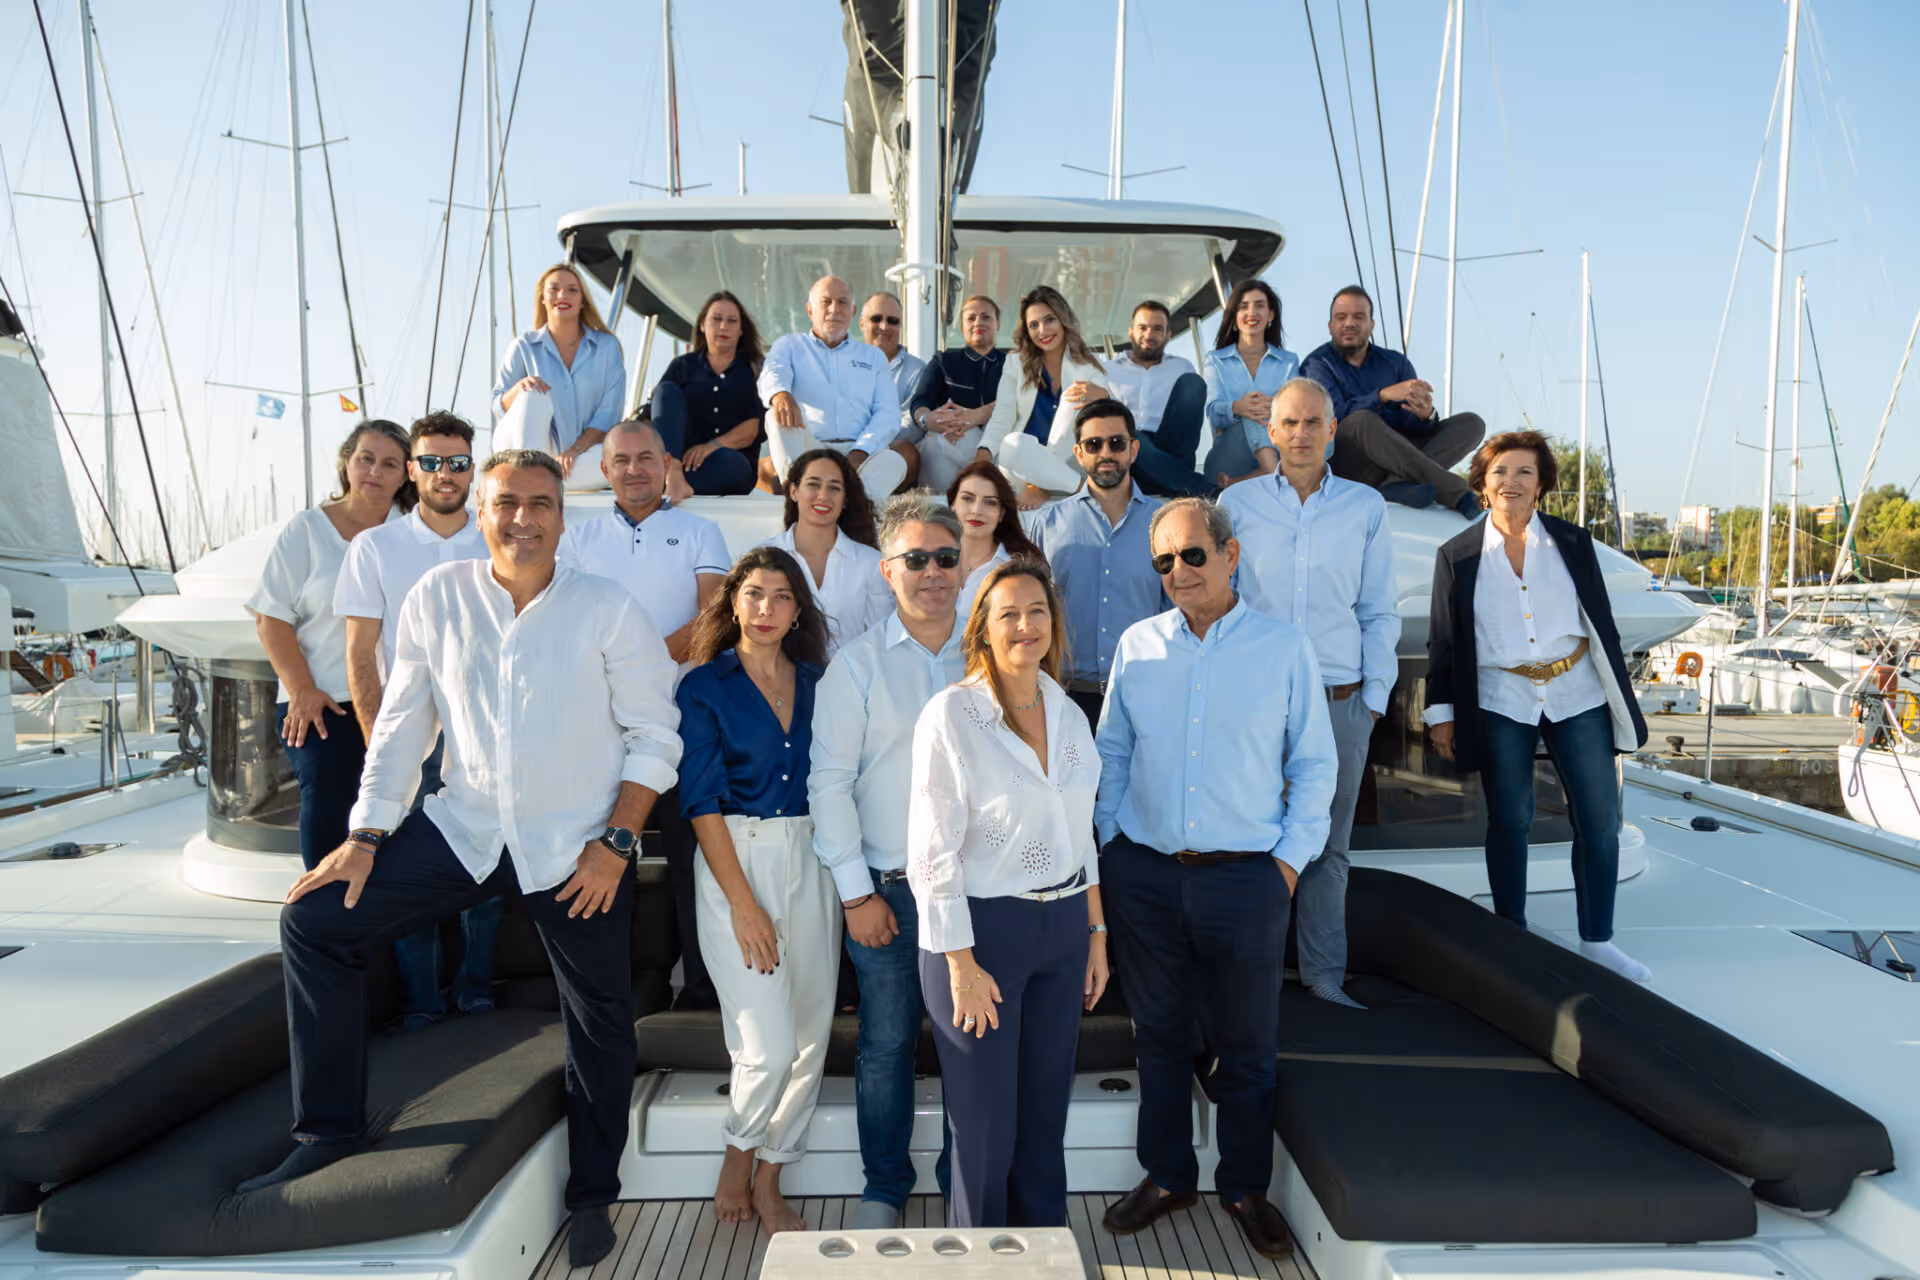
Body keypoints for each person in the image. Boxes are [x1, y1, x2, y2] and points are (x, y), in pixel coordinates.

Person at [242, 450, 682, 1273]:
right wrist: (365, 836)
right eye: (507, 504)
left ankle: (592, 1195)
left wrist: (617, 843)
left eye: (541, 504)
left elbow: (656, 738)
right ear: (480, 514)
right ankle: (328, 1131)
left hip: (575, 843)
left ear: (563, 516)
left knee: (601, 1021)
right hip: (467, 829)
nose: (523, 518)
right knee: (313, 923)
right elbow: (404, 724)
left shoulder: (608, 610)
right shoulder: (436, 600)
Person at [1094, 497, 1337, 1261]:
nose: (1177, 572)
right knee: (1158, 1035)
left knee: (1247, 1046)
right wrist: (1112, 846)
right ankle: (1168, 1174)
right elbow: (1113, 758)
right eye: (1163, 560)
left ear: (1230, 556)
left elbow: (1314, 767)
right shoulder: (1137, 647)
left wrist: (1287, 869)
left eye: (1192, 555)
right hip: (1145, 875)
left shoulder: (1284, 648)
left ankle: (1243, 1186)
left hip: (1247, 882)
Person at [909, 557, 1108, 1230]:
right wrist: (960, 965)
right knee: (986, 1131)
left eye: (1038, 611)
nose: (1026, 625)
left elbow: (1082, 837)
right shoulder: (953, 715)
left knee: (1044, 1119)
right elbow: (931, 852)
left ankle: (1045, 1260)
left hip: (1063, 935)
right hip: (981, 938)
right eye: (1009, 614)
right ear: (983, 631)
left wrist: (1096, 934)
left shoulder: (1070, 714)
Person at [1424, 430, 1652, 982]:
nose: (1512, 482)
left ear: (1542, 485)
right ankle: (1512, 937)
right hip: (1502, 697)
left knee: (1600, 820)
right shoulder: (1456, 556)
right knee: (1511, 819)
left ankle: (1597, 941)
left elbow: (1602, 623)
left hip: (1578, 693)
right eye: (1500, 471)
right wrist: (1440, 713)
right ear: (1483, 484)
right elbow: (1444, 641)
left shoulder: (1575, 544)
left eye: (1525, 472)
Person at [809, 494, 967, 1230]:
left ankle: (966, 1184)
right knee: (885, 1045)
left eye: (945, 557)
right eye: (916, 558)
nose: (932, 571)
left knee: (975, 1046)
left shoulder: (995, 652)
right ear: (887, 569)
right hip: (888, 892)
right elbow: (829, 785)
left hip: (982, 891)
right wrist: (853, 895)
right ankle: (884, 1188)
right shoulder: (856, 666)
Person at [1219, 379, 1399, 1009]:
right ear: (1271, 430)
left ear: (1331, 432)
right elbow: (1220, 604)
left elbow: (1379, 611)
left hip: (1340, 704)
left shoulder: (1366, 508)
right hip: (1256, 707)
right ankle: (1250, 982)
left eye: (1312, 423)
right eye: (1288, 423)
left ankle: (1325, 978)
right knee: (1250, 843)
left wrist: (1373, 699)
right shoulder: (1236, 506)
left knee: (1327, 849)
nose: (1299, 434)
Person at [677, 546, 838, 1236]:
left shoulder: (820, 681)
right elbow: (700, 800)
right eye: (754, 594)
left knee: (810, 1035)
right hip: (734, 859)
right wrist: (744, 903)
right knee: (767, 1044)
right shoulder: (702, 686)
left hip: (814, 855)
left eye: (781, 596)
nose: (766, 608)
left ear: (798, 611)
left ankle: (773, 1175)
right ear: (733, 602)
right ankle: (737, 1155)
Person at [560, 417, 730, 1011]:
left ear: (666, 465)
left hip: (683, 722)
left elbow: (715, 619)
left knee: (693, 861)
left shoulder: (701, 531)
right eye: (621, 460)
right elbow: (566, 621)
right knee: (605, 857)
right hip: (601, 723)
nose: (634, 470)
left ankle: (705, 990)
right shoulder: (576, 539)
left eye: (645, 459)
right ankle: (611, 987)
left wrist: (640, 665)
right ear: (604, 470)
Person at [333, 412, 496, 1030]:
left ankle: (477, 988)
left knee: (483, 869)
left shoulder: (495, 538)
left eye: (457, 462)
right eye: (431, 462)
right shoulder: (375, 547)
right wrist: (382, 747)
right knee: (407, 873)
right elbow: (359, 657)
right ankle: (423, 1004)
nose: (445, 473)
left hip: (484, 738)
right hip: (410, 738)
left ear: (471, 469)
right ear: (413, 470)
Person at [246, 420, 411, 871]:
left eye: (390, 463)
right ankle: (323, 924)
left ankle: (386, 933)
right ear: (346, 464)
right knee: (330, 812)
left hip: (402, 705)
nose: (375, 471)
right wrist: (301, 690)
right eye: (366, 459)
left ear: (405, 475)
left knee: (400, 824)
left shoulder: (412, 534)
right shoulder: (306, 531)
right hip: (323, 702)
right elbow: (270, 617)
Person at [1028, 399, 1167, 729]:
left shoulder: (1164, 525)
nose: (1106, 453)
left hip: (1143, 698)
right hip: (1064, 700)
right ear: (1078, 454)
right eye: (1094, 444)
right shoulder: (1046, 524)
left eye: (1116, 443)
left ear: (1133, 450)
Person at [1302, 285, 1484, 516]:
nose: (1349, 323)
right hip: (1351, 465)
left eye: (1359, 317)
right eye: (1341, 317)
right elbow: (1332, 416)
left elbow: (1411, 426)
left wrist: (1425, 416)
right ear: (1330, 326)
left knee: (1471, 424)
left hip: (1397, 458)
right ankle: (1456, 492)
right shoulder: (1316, 365)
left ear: (1372, 325)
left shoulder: (1396, 363)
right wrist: (1382, 396)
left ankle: (1396, 484)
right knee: (1361, 421)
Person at [757, 275, 909, 502]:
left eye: (842, 302)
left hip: (859, 453)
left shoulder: (873, 356)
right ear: (810, 310)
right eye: (826, 302)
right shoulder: (789, 345)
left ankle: (847, 500)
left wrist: (860, 452)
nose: (834, 309)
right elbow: (772, 373)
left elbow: (887, 414)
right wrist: (781, 395)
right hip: (809, 450)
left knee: (895, 462)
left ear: (853, 311)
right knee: (774, 416)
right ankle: (801, 494)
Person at [491, 264, 626, 482]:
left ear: (582, 301)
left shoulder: (607, 347)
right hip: (519, 446)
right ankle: (533, 474)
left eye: (572, 290)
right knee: (532, 392)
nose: (562, 295)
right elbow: (497, 405)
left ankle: (533, 481)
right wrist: (520, 388)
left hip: (583, 452)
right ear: (543, 298)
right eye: (554, 289)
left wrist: (574, 450)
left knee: (615, 459)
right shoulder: (523, 346)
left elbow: (609, 414)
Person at [980, 286, 1108, 507]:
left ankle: (1042, 487)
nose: (1043, 330)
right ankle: (1085, 490)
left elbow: (1115, 414)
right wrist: (979, 461)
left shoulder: (1088, 366)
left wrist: (1104, 395)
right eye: (1034, 325)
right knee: (1012, 443)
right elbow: (1002, 416)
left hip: (1071, 463)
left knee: (1073, 395)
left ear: (1063, 320)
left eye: (1050, 320)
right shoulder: (1015, 363)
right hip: (1023, 462)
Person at [760, 450, 895, 656]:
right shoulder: (763, 558)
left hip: (852, 685)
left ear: (845, 499)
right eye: (813, 484)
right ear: (794, 491)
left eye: (834, 488)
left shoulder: (872, 563)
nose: (823, 495)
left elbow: (881, 641)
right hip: (779, 685)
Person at [650, 290, 765, 499]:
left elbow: (753, 427)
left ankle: (670, 484)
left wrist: (712, 446)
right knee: (665, 390)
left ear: (741, 330)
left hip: (725, 465)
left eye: (732, 321)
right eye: (716, 319)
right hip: (679, 460)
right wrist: (674, 463)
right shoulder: (682, 366)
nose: (723, 326)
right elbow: (661, 409)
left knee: (736, 466)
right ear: (702, 325)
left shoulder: (754, 370)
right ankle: (672, 475)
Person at [1101, 300, 1212, 497]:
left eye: (1157, 329)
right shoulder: (1108, 370)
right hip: (1129, 459)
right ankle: (1200, 487)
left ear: (1168, 336)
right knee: (1129, 433)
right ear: (1131, 332)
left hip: (1172, 449)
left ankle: (1171, 478)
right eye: (1142, 328)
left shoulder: (1182, 367)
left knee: (1193, 384)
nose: (1149, 335)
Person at [1202, 280, 1299, 489]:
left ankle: (1268, 472)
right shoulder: (1215, 360)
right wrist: (1238, 408)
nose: (1252, 312)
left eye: (1259, 305)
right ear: (1235, 318)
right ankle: (1276, 476)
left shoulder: (1289, 361)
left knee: (1265, 409)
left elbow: (1296, 409)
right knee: (1253, 407)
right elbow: (1212, 410)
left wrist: (1274, 408)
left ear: (1271, 315)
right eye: (1244, 307)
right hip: (1230, 454)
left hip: (1279, 447)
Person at [906, 295, 1006, 495]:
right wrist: (928, 420)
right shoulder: (944, 361)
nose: (978, 322)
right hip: (950, 441)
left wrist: (977, 415)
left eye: (986, 317)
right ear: (962, 327)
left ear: (997, 325)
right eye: (971, 318)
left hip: (998, 445)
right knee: (936, 440)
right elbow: (920, 400)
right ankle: (939, 508)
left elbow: (1023, 399)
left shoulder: (1013, 364)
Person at [947, 460, 1044, 621]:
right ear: (953, 504)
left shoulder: (1017, 568)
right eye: (968, 499)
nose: (977, 510)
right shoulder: (930, 559)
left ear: (1001, 513)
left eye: (990, 502)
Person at [860, 290, 929, 482]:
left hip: (888, 450)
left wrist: (868, 441)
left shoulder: (918, 370)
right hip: (844, 445)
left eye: (893, 321)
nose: (884, 326)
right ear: (861, 323)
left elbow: (912, 425)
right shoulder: (841, 364)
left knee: (906, 453)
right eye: (876, 318)